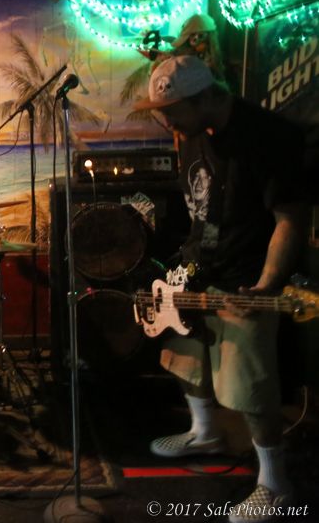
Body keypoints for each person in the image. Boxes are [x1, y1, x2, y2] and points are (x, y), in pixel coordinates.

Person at [132, 56, 308, 522]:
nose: (166, 122)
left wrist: (266, 285)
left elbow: (290, 218)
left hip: (246, 279)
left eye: (172, 112)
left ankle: (276, 484)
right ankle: (204, 432)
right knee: (185, 358)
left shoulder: (268, 137)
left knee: (250, 387)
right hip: (199, 270)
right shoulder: (193, 133)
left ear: (205, 98)